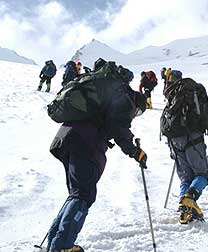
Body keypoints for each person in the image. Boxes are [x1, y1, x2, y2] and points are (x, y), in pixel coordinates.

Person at [46, 61, 147, 252]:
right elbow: (119, 127)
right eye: (139, 112)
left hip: (65, 138)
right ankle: (62, 246)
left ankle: (55, 243)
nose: (136, 114)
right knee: (84, 195)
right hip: (86, 143)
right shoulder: (125, 98)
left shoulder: (106, 90)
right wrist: (134, 151)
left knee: (76, 194)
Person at [161, 77, 208, 224]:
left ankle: (184, 210)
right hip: (193, 138)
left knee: (186, 177)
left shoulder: (174, 94)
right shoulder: (198, 93)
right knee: (203, 175)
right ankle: (188, 199)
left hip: (174, 140)